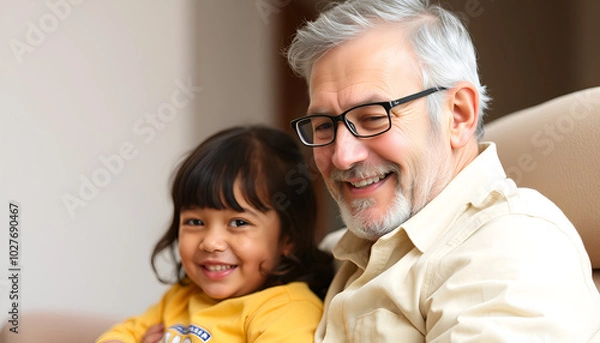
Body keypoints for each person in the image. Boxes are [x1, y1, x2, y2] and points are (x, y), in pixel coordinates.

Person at [285, 0, 600, 341]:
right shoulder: (336, 255)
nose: (343, 156)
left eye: (373, 117)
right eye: (323, 126)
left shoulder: (512, 247)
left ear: (459, 114)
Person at [96, 125, 333, 343]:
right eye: (195, 221)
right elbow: (121, 333)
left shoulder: (286, 310)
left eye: (239, 222)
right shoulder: (182, 295)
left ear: (287, 239)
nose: (210, 243)